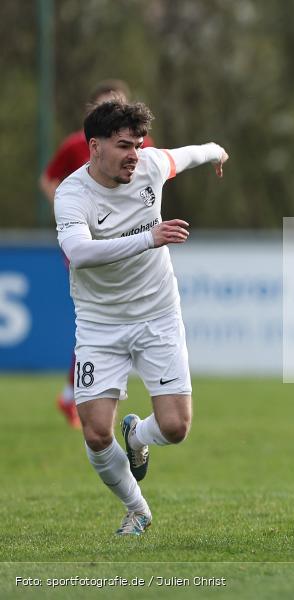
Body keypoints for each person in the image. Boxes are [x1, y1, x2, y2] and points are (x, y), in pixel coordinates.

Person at [54, 99, 228, 536]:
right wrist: (149, 238)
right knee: (95, 433)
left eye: (138, 144)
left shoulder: (150, 165)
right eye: (123, 146)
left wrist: (216, 151)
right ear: (94, 147)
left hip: (157, 314)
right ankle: (137, 509)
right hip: (99, 323)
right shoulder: (72, 194)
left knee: (175, 427)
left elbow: (187, 154)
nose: (134, 154)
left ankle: (138, 437)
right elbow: (79, 253)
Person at [40, 80, 155, 429]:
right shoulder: (75, 144)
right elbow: (48, 180)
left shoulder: (141, 147)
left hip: (129, 243)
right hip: (88, 243)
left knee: (120, 313)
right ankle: (78, 393)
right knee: (95, 313)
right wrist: (67, 213)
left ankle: (78, 393)